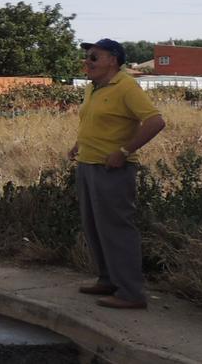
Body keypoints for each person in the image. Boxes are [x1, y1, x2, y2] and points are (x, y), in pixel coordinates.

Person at [69, 38, 165, 310]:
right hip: (88, 165)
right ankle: (108, 280)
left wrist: (123, 151)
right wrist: (78, 145)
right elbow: (93, 121)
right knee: (95, 227)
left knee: (116, 230)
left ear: (112, 59)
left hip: (111, 170)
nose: (87, 61)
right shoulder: (93, 88)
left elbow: (156, 121)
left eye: (94, 57)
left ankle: (131, 293)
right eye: (87, 57)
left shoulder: (126, 86)